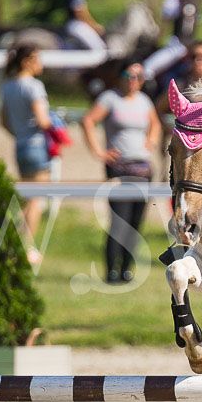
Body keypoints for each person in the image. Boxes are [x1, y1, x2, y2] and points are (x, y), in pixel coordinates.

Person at [81, 66, 160, 284]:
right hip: (119, 168)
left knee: (135, 222)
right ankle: (111, 271)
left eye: (139, 77)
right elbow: (88, 120)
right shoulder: (110, 98)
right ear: (121, 77)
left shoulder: (144, 100)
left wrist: (151, 140)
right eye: (129, 75)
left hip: (143, 169)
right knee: (119, 220)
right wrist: (99, 152)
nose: (134, 80)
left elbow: (155, 123)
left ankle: (126, 269)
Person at [0, 44, 54, 265]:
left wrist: (20, 133)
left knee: (26, 198)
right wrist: (57, 124)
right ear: (27, 62)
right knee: (35, 200)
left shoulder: (8, 86)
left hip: (20, 145)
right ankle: (26, 246)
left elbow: (4, 121)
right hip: (37, 145)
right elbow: (43, 120)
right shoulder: (34, 86)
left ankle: (17, 241)